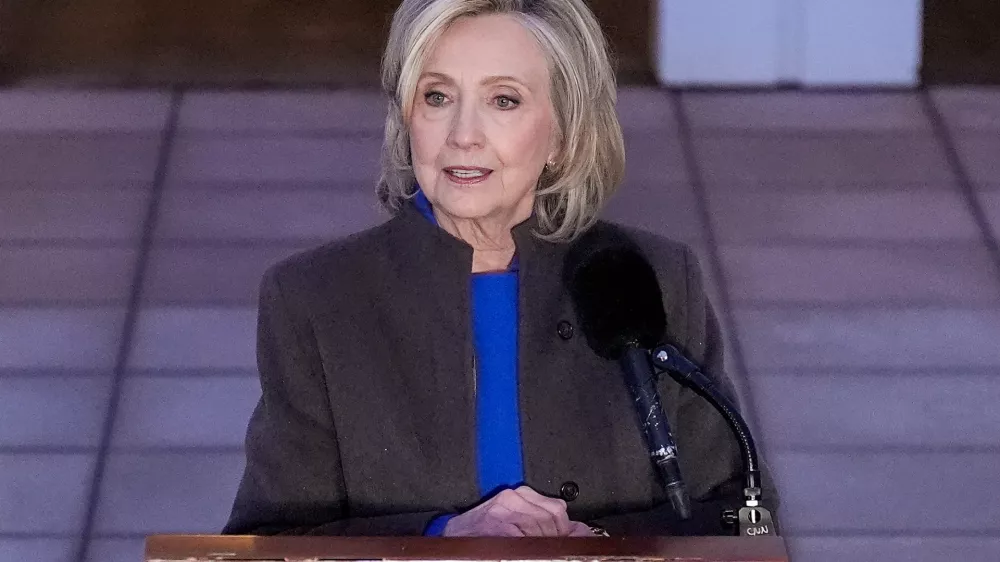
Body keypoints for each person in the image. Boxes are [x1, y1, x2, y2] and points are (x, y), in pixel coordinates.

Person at [223, 0, 777, 538]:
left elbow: (740, 516)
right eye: (436, 96)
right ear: (405, 117)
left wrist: (591, 549)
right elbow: (273, 542)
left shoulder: (650, 276)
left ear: (562, 132)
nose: (464, 134)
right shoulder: (317, 300)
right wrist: (444, 539)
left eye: (504, 101)